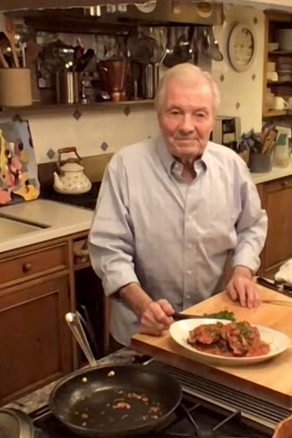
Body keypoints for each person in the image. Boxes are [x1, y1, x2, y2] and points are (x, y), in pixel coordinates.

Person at [88, 63, 268, 346]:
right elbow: (109, 251)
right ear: (159, 116)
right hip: (143, 335)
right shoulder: (125, 167)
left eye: (199, 114)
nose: (187, 126)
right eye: (175, 112)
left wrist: (243, 271)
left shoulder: (232, 167)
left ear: (212, 119)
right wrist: (142, 305)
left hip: (212, 328)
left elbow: (252, 226)